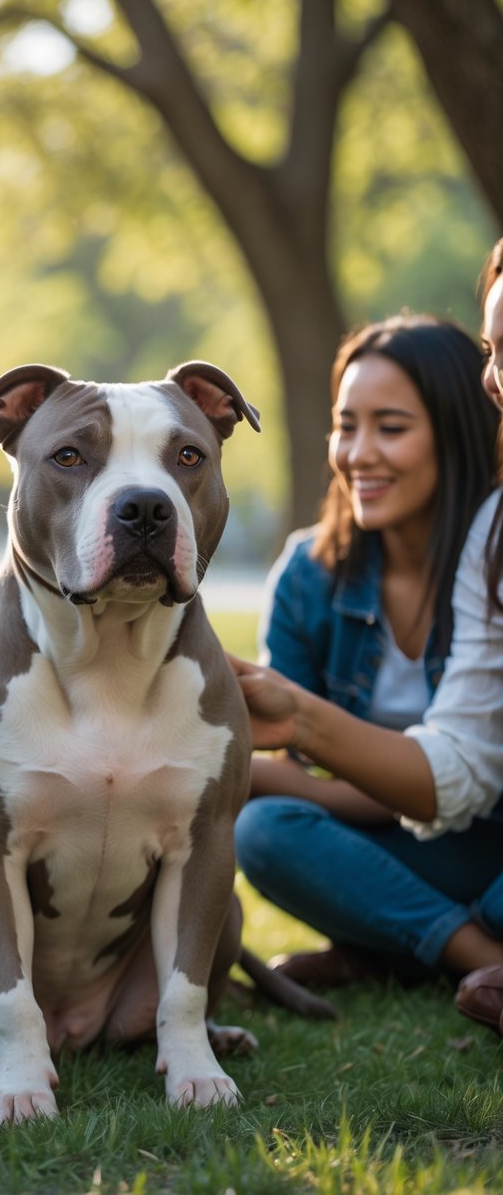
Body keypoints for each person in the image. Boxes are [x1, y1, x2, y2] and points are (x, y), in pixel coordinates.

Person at [232, 305, 503, 998]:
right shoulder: (306, 576)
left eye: (391, 428)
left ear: (457, 433)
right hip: (402, 839)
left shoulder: (489, 559)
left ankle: (389, 946)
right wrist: (275, 775)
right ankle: (472, 954)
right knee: (266, 832)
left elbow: (467, 779)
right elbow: (295, 775)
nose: (358, 453)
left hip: (486, 831)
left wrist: (241, 770)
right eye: (346, 425)